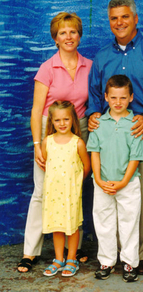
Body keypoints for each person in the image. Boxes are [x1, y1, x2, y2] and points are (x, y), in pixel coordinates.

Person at [86, 0, 143, 275]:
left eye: (125, 17)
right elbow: (93, 94)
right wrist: (92, 114)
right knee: (108, 190)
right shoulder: (102, 56)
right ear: (109, 21)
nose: (120, 22)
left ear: (135, 18)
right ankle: (112, 255)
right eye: (114, 18)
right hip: (109, 131)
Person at [18, 12, 92, 273]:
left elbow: (95, 103)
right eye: (63, 33)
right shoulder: (47, 68)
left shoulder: (90, 66)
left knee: (76, 189)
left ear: (79, 35)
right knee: (42, 192)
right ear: (55, 38)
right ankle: (31, 251)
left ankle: (75, 249)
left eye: (73, 32)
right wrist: (38, 144)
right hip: (50, 131)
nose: (68, 37)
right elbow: (37, 110)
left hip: (80, 130)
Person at [87, 75, 143, 282]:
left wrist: (123, 182)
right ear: (105, 97)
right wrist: (98, 179)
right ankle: (107, 261)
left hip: (128, 183)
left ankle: (129, 262)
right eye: (113, 98)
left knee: (129, 222)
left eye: (122, 98)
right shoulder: (98, 124)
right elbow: (94, 152)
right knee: (103, 222)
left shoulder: (136, 124)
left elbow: (136, 157)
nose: (118, 102)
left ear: (131, 97)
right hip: (102, 183)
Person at [42, 101, 90, 277]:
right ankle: (58, 258)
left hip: (71, 194)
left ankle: (71, 259)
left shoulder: (77, 143)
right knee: (57, 227)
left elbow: (86, 166)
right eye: (58, 120)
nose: (62, 123)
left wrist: (74, 182)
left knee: (72, 226)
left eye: (66, 119)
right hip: (53, 194)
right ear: (52, 122)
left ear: (73, 120)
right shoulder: (47, 142)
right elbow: (46, 164)